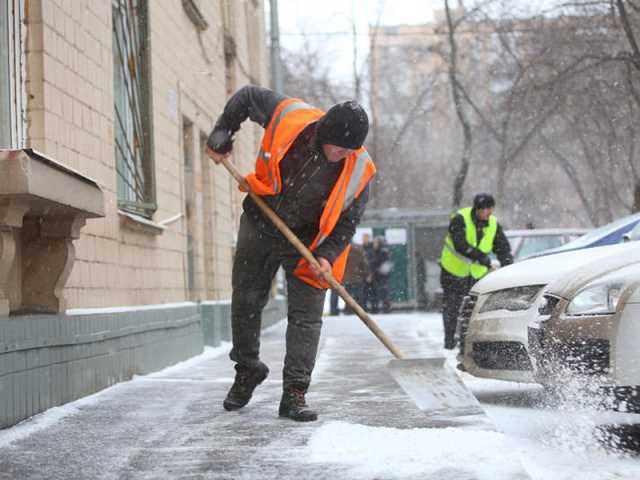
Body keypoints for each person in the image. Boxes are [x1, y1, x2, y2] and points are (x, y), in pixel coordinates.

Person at [205, 85, 375, 422]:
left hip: (310, 243)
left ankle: (295, 393)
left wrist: (327, 254)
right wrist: (223, 131)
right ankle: (248, 369)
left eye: (350, 149)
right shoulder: (290, 117)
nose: (343, 154)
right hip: (262, 218)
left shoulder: (359, 170)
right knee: (247, 300)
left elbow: (347, 222)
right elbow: (247, 97)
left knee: (307, 317)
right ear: (325, 132)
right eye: (338, 148)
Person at [439, 193, 513, 350]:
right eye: (484, 209)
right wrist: (481, 257)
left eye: (490, 209)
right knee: (452, 306)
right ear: (476, 209)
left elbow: (502, 247)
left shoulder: (493, 224)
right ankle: (449, 341)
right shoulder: (460, 219)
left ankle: (467, 342)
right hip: (452, 271)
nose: (487, 213)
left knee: (472, 309)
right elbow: (460, 244)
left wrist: (507, 264)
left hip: (476, 274)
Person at [341, 241, 370, 313]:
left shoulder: (343, 248)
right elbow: (364, 263)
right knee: (359, 294)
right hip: (358, 276)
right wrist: (366, 273)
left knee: (348, 295)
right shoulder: (359, 249)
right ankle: (360, 310)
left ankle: (348, 310)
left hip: (347, 277)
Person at [369, 236, 393, 313]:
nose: (374, 244)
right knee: (374, 293)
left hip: (382, 277)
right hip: (375, 276)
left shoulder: (383, 252)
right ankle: (375, 309)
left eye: (375, 243)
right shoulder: (373, 252)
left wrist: (377, 271)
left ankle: (386, 308)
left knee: (383, 293)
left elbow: (386, 265)